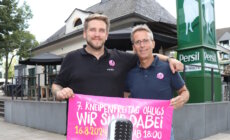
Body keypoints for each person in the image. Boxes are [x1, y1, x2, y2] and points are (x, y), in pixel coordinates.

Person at [52, 13, 184, 100]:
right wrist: (59, 93)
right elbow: (57, 85)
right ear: (85, 34)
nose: (97, 34)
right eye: (92, 30)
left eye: (101, 30)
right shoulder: (71, 58)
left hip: (111, 132)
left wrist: (169, 59)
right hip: (81, 133)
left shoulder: (120, 58)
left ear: (107, 35)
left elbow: (145, 54)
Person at [125, 24, 190, 140]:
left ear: (153, 43)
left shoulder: (168, 68)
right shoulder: (130, 72)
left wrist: (182, 99)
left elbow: (184, 91)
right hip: (137, 134)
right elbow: (125, 96)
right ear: (133, 47)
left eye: (145, 41)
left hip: (164, 134)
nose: (142, 45)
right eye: (138, 42)